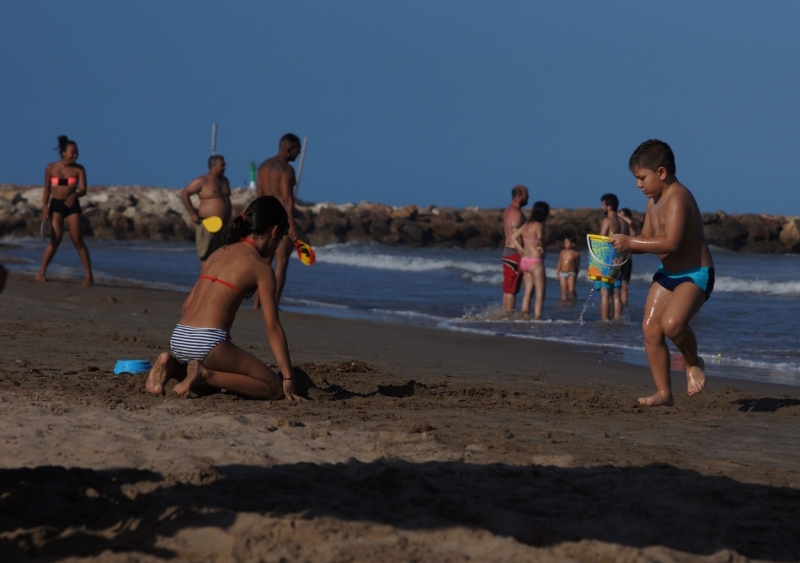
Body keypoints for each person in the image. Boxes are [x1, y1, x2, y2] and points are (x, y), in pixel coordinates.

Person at [145, 196, 304, 401]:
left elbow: (187, 305)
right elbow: (272, 328)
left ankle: (172, 365)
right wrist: (288, 377)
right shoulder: (261, 268)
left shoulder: (218, 252)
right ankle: (204, 372)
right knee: (272, 388)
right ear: (274, 231)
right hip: (207, 341)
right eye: (280, 236)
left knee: (209, 388)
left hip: (179, 336)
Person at [611, 139, 715, 407]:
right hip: (667, 273)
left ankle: (693, 363)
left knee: (672, 325)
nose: (638, 185)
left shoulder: (678, 197)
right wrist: (622, 248)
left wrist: (631, 242)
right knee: (650, 329)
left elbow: (671, 242)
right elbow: (646, 238)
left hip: (695, 274)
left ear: (661, 172)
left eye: (641, 178)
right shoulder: (652, 202)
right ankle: (663, 392)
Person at [36, 135, 94, 285]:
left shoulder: (79, 169)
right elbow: (47, 190)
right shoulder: (50, 168)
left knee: (78, 241)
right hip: (56, 206)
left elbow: (84, 190)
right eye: (72, 153)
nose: (75, 155)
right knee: (55, 240)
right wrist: (45, 208)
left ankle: (89, 276)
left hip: (72, 206)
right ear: (64, 153)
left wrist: (74, 195)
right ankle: (41, 272)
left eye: (76, 153)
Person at [255, 134, 302, 306]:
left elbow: (259, 196)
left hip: (265, 218)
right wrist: (291, 225)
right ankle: (273, 305)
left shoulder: (263, 167)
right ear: (289, 149)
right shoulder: (286, 170)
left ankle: (256, 304)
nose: (298, 154)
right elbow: (287, 200)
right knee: (281, 263)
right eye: (297, 151)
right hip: (280, 220)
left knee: (263, 263)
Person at [180, 155, 232, 261]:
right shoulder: (202, 181)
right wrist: (193, 214)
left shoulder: (225, 180)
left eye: (224, 165)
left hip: (224, 226)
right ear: (212, 166)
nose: (225, 167)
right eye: (222, 165)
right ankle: (205, 278)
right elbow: (185, 193)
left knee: (222, 258)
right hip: (208, 224)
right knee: (207, 258)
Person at [510, 201, 549, 320]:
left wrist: (521, 249)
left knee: (527, 292)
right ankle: (538, 318)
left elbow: (513, 237)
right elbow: (540, 239)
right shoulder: (538, 225)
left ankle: (524, 316)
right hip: (535, 261)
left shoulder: (526, 225)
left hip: (525, 261)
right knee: (540, 294)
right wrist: (542, 247)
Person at [596, 193, 630, 321]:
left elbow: (600, 241)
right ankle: (617, 320)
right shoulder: (624, 223)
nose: (601, 208)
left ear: (609, 206)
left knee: (605, 294)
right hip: (620, 261)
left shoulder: (607, 221)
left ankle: (604, 321)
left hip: (606, 261)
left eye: (603, 205)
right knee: (616, 294)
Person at [502, 185, 529, 316]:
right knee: (511, 289)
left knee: (508, 288)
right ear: (519, 196)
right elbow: (515, 236)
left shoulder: (508, 210)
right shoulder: (516, 213)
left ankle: (505, 314)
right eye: (526, 195)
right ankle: (509, 316)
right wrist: (524, 253)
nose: (528, 197)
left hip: (508, 251)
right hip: (514, 253)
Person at [618, 208, 636, 305]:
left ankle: (624, 306)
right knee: (615, 285)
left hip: (627, 260)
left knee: (624, 286)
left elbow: (630, 222)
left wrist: (619, 216)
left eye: (622, 215)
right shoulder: (620, 228)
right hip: (617, 260)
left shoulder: (630, 228)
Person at [555, 235, 580, 300]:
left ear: (573, 244)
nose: (565, 244)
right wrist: (557, 273)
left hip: (571, 273)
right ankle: (564, 303)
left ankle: (574, 300)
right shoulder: (562, 252)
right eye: (565, 243)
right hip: (562, 273)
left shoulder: (576, 254)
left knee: (571, 289)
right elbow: (559, 262)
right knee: (564, 290)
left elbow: (577, 265)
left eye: (567, 243)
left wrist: (576, 274)